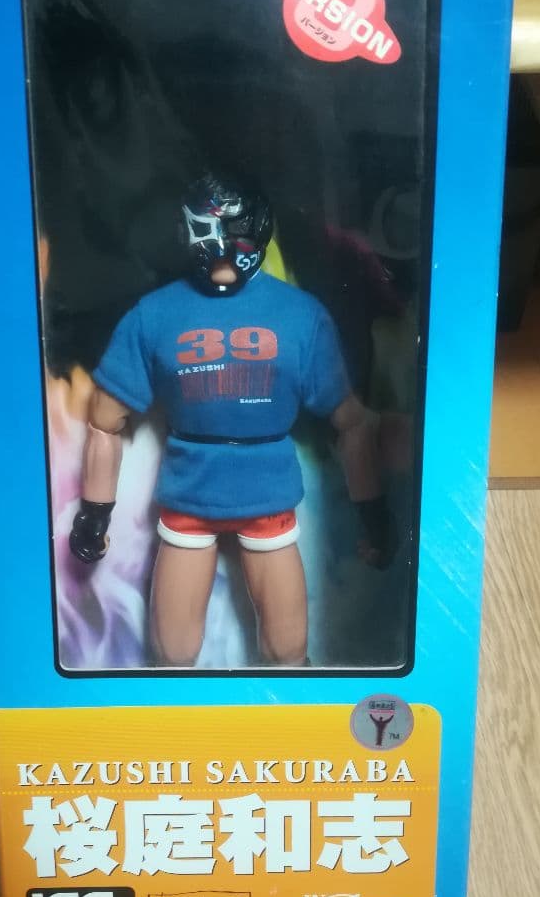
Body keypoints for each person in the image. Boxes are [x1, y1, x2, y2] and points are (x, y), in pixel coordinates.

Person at [69, 174, 395, 667]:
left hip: (268, 494)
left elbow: (350, 422)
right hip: (189, 493)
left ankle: (293, 708)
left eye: (234, 236)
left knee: (288, 649)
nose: (221, 251)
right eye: (208, 235)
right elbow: (104, 420)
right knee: (173, 651)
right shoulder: (156, 314)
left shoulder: (299, 315)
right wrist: (94, 515)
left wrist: (373, 515)